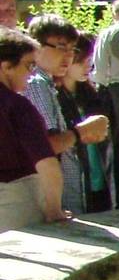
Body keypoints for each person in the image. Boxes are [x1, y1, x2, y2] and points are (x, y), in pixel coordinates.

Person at [24, 14, 110, 218]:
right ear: (36, 45)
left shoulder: (48, 83)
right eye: (61, 47)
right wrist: (82, 132)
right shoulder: (36, 83)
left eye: (73, 49)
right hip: (51, 201)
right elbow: (47, 147)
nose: (68, 56)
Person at [0, 26, 69, 228]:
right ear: (6, 66)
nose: (31, 73)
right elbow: (47, 163)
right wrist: (55, 210)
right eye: (29, 65)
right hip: (15, 202)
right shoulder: (16, 106)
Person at [57, 33, 115, 213]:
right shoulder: (54, 96)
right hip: (72, 185)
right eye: (81, 60)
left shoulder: (95, 95)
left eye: (90, 59)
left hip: (100, 179)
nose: (88, 65)